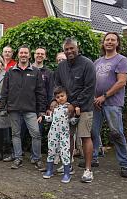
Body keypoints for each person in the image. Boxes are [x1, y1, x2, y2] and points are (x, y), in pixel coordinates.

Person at [55, 38, 96, 183]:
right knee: (67, 138)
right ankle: (68, 165)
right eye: (66, 49)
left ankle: (88, 170)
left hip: (84, 108)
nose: (69, 51)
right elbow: (58, 86)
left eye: (72, 48)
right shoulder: (61, 67)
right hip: (67, 108)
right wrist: (57, 102)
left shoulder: (87, 64)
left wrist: (75, 104)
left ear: (77, 48)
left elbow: (89, 88)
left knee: (85, 137)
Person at [0, 44, 46, 169]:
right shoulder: (10, 72)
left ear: (29, 55)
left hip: (30, 110)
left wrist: (41, 111)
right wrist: (2, 107)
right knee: (16, 134)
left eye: (26, 53)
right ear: (18, 55)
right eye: (21, 53)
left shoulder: (36, 72)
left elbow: (40, 92)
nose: (23, 55)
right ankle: (18, 158)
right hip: (13, 109)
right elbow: (5, 91)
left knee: (36, 134)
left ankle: (36, 159)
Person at [92, 32, 127, 178]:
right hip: (96, 102)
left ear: (117, 43)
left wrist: (104, 96)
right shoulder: (97, 62)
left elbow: (121, 82)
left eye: (112, 40)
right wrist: (94, 98)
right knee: (93, 132)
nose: (109, 42)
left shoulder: (121, 60)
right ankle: (93, 158)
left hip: (112, 103)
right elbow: (92, 82)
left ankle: (125, 164)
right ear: (103, 43)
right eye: (107, 39)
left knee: (116, 133)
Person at [41, 87, 80, 183]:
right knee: (51, 151)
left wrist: (77, 115)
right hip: (53, 134)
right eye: (58, 97)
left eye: (62, 96)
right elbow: (51, 119)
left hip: (64, 135)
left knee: (65, 152)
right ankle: (49, 170)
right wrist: (42, 118)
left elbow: (73, 121)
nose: (60, 98)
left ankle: (66, 173)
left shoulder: (69, 108)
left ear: (66, 96)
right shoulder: (55, 108)